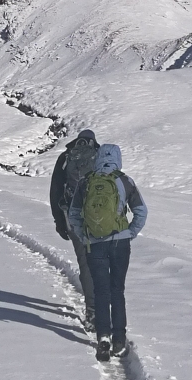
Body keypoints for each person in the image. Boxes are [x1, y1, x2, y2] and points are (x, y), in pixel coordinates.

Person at [67, 143, 147, 359]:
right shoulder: (124, 181)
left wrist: (84, 236)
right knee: (117, 290)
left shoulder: (86, 182)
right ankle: (119, 340)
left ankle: (103, 336)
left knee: (101, 291)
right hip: (120, 243)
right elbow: (141, 212)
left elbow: (73, 214)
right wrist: (130, 233)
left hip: (94, 244)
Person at [49, 128, 100, 327]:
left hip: (72, 216)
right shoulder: (101, 155)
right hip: (99, 218)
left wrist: (59, 222)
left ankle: (92, 311)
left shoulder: (66, 157)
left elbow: (55, 191)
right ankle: (103, 307)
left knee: (85, 262)